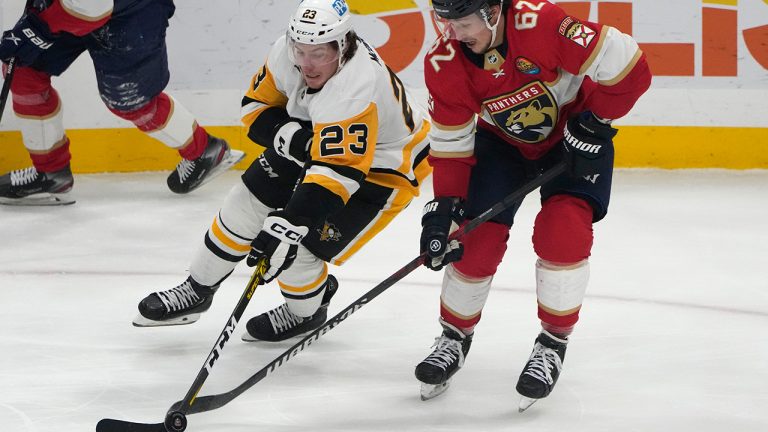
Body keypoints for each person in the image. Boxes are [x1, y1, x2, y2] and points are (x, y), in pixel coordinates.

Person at [131, 0, 430, 343]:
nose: (306, 64)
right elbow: (254, 111)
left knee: (299, 249)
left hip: (385, 168)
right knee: (244, 205)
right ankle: (197, 289)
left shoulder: (356, 87)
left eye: (318, 53)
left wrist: (291, 223)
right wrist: (298, 142)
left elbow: (336, 174)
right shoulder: (285, 52)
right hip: (319, 141)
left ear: (343, 44)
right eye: (299, 50)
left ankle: (306, 312)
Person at [415, 0, 652, 410]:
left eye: (463, 22)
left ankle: (552, 341)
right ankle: (454, 335)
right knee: (473, 241)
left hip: (575, 138)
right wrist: (446, 206)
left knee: (563, 233)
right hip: (502, 145)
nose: (454, 34)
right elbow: (452, 144)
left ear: (492, 11)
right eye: (446, 22)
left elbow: (632, 66)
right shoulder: (444, 61)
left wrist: (595, 122)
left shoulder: (543, 23)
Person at [0, 0, 244, 205]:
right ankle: (50, 172)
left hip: (132, 9)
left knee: (129, 99)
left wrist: (38, 28)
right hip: (74, 5)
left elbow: (92, 7)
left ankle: (204, 151)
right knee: (24, 68)